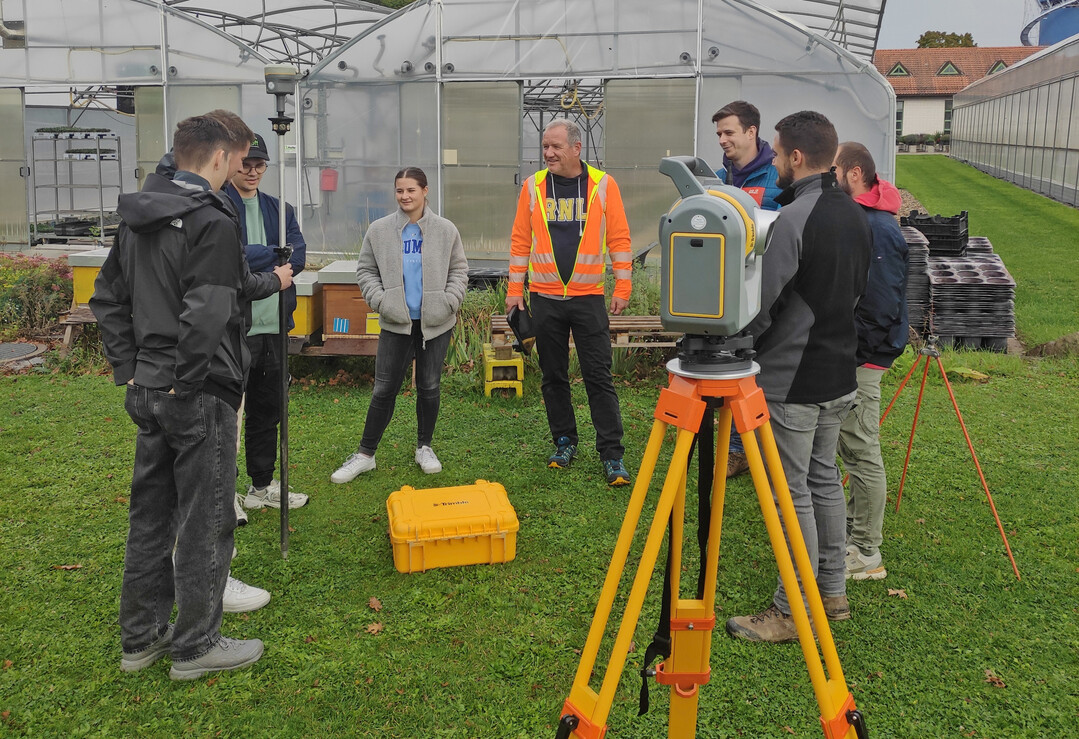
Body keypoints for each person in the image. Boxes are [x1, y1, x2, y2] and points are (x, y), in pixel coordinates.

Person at [91, 114, 293, 679]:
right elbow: (208, 308)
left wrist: (130, 367)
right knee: (205, 518)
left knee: (151, 514)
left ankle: (142, 639)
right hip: (196, 391)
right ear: (221, 158)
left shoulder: (138, 214)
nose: (238, 171)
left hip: (148, 389)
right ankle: (196, 646)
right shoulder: (212, 220)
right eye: (238, 160)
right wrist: (188, 378)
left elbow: (108, 297)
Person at [725, 111, 871, 644]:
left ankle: (790, 610)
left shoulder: (795, 218)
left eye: (780, 152)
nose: (777, 162)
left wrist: (735, 344)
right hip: (838, 374)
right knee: (823, 482)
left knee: (793, 496)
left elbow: (766, 305)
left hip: (793, 381)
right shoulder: (856, 214)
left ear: (795, 157)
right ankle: (831, 594)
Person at [506, 118, 633, 486]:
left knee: (598, 376)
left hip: (589, 299)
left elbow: (620, 239)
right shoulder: (532, 188)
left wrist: (622, 287)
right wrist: (516, 292)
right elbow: (520, 243)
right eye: (544, 146)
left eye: (555, 147)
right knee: (553, 376)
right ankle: (564, 441)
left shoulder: (603, 186)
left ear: (576, 148)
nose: (548, 153)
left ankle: (612, 454)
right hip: (545, 300)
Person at [330, 167, 468, 483]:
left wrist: (449, 301)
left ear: (425, 191)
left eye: (411, 190)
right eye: (399, 191)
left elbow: (459, 270)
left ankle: (424, 447)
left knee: (429, 386)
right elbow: (365, 271)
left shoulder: (446, 230)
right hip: (396, 324)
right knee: (384, 389)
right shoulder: (379, 231)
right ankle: (365, 455)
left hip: (436, 323)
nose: (405, 196)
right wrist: (383, 302)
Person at [833, 142, 910, 582]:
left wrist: (855, 350)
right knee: (851, 445)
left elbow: (881, 303)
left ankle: (866, 551)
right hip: (859, 351)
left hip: (866, 355)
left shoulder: (878, 227)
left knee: (862, 450)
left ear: (855, 173)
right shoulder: (865, 219)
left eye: (836, 171)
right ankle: (852, 529)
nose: (832, 179)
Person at [224, 132, 310, 512]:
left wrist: (260, 258)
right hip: (233, 329)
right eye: (247, 165)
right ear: (230, 164)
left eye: (260, 165)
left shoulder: (281, 209)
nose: (254, 171)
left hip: (273, 326)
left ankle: (261, 486)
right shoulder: (218, 206)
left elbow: (299, 255)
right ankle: (224, 495)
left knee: (267, 411)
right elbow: (228, 258)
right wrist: (271, 257)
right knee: (227, 416)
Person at [712, 100, 782, 478]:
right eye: (719, 134)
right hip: (732, 288)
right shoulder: (722, 176)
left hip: (771, 289)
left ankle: (759, 446)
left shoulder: (776, 176)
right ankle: (736, 447)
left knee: (762, 369)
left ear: (751, 132)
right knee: (734, 365)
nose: (723, 140)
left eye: (729, 132)